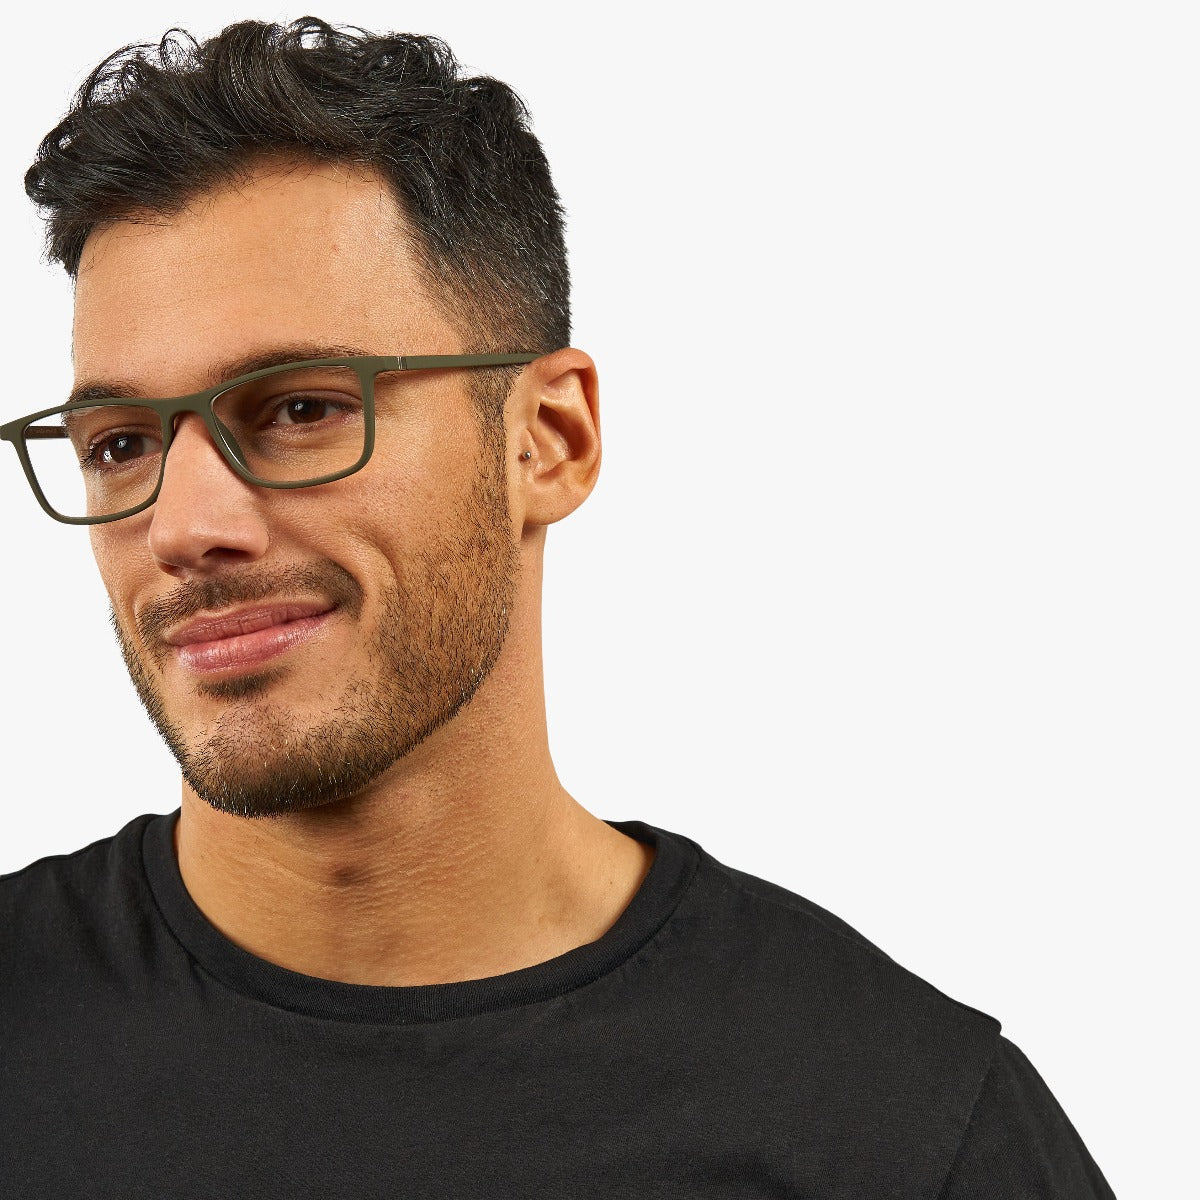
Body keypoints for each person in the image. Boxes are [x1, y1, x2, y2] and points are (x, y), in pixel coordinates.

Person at [0, 18, 1116, 1197]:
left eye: (301, 410)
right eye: (119, 444)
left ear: (549, 439)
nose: (182, 527)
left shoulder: (897, 1126)